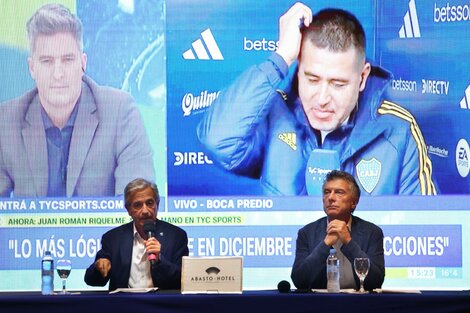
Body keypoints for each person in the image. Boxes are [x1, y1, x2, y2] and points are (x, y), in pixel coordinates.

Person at [197, 2, 437, 196]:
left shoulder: (398, 130)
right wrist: (280, 58)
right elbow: (218, 141)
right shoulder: (276, 115)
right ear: (299, 69)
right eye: (312, 80)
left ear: (362, 78)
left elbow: (425, 234)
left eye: (338, 84)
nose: (322, 99)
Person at [0, 3, 154, 197]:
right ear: (32, 68)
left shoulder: (120, 112)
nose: (58, 74)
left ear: (83, 63)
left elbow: (139, 207)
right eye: (47, 61)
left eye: (67, 60)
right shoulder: (6, 121)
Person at [84, 178, 189, 290]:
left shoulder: (176, 236)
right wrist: (99, 268)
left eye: (149, 203)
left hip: (161, 304)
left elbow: (183, 280)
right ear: (128, 209)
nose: (145, 211)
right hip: (125, 304)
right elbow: (92, 281)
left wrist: (159, 261)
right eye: (138, 205)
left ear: (157, 204)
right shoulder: (113, 238)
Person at [291, 170, 385, 291]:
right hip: (319, 305)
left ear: (354, 202)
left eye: (339, 192)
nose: (330, 197)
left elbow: (375, 281)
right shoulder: (307, 233)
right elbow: (299, 281)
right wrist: (325, 245)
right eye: (327, 192)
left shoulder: (372, 232)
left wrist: (348, 242)